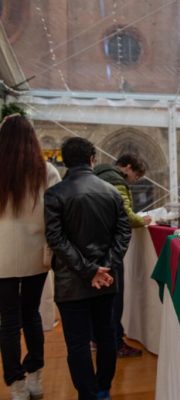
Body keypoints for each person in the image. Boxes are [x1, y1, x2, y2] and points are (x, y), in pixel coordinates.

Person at [45, 137, 131, 400]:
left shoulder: (55, 194)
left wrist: (87, 270)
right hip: (105, 281)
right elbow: (124, 233)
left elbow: (56, 239)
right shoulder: (111, 191)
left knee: (78, 343)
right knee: (106, 337)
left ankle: (88, 394)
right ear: (92, 158)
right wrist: (102, 268)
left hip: (72, 283)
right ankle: (104, 389)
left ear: (64, 160)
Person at [0, 115, 61, 400]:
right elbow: (55, 217)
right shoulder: (45, 170)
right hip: (36, 255)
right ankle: (36, 376)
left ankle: (16, 386)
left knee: (8, 321)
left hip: (1, 257)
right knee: (31, 314)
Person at [93, 154, 149, 357]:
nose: (134, 180)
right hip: (110, 249)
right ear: (127, 167)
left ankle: (97, 339)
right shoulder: (117, 181)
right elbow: (125, 214)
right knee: (114, 298)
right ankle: (115, 343)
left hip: (92, 247)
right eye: (136, 175)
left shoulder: (97, 175)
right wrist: (142, 220)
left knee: (98, 299)